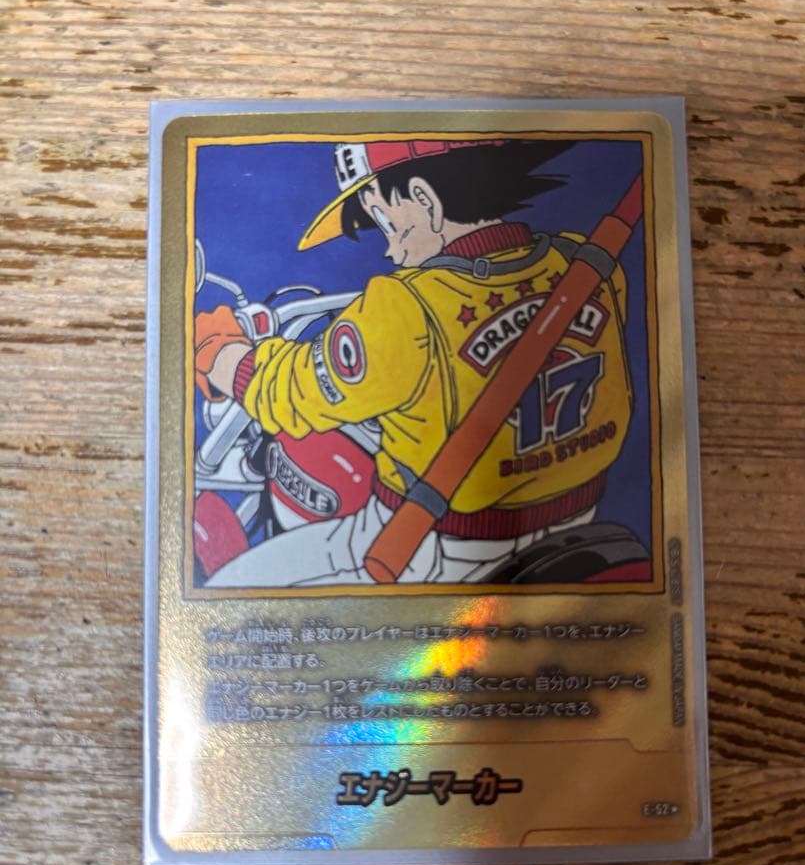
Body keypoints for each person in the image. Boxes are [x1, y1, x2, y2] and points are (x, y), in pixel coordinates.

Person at [195, 138, 634, 587]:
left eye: (385, 220)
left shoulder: (405, 307)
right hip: (579, 519)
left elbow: (292, 392)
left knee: (228, 588)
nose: (389, 250)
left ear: (425, 200)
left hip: (429, 549)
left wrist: (223, 353)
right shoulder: (587, 266)